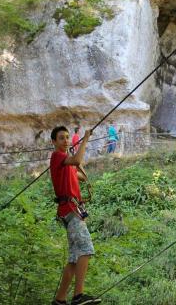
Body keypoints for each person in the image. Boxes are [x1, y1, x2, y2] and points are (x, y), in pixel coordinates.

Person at [49, 126, 102, 305]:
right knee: (86, 249)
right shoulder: (58, 156)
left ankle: (60, 299)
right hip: (70, 211)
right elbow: (76, 159)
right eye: (61, 138)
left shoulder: (67, 163)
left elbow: (81, 175)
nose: (65, 141)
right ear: (54, 142)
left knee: (73, 259)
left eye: (67, 137)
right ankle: (78, 296)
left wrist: (77, 162)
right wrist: (85, 139)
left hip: (70, 210)